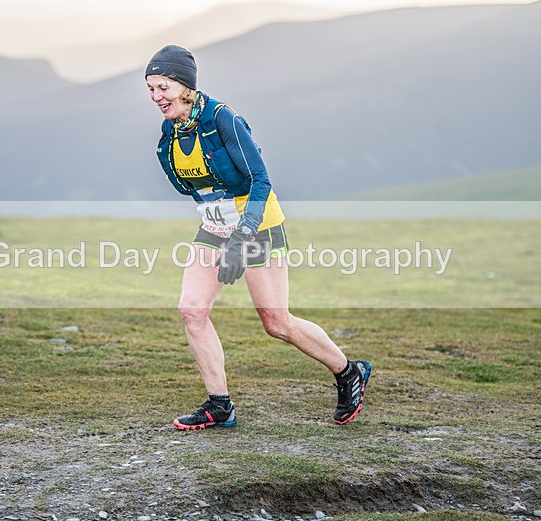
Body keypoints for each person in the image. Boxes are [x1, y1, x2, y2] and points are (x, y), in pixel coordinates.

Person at [144, 45, 371, 430]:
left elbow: (260, 181)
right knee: (192, 310)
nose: (156, 97)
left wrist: (243, 235)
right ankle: (220, 406)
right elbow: (192, 187)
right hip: (215, 227)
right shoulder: (170, 132)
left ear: (184, 85)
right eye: (150, 89)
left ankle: (349, 371)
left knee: (277, 322)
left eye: (162, 87)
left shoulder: (223, 120)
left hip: (257, 225)